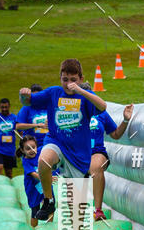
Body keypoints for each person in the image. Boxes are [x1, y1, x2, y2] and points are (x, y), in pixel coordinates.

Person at [19, 59, 106, 221]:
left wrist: (81, 91)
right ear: (60, 78)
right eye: (65, 79)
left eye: (73, 80)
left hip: (78, 156)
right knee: (44, 160)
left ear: (81, 79)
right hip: (56, 142)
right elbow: (28, 101)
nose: (68, 84)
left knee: (76, 218)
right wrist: (23, 96)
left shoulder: (85, 97)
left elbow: (103, 106)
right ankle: (49, 200)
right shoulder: (53, 93)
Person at [82, 82, 133, 221]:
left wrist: (125, 120)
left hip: (96, 152)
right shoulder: (70, 114)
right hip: (77, 154)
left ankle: (98, 210)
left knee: (96, 166)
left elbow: (115, 134)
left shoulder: (100, 114)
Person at [17, 134, 57, 227]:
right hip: (33, 189)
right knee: (35, 211)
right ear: (22, 150)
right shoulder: (25, 161)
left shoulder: (41, 151)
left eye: (33, 147)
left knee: (51, 205)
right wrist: (47, 177)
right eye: (28, 149)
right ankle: (34, 229)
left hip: (45, 185)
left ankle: (50, 227)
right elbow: (33, 174)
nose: (32, 150)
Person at [15, 84, 49, 150]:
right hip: (32, 146)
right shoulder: (26, 108)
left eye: (38, 96)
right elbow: (17, 126)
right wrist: (36, 125)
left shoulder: (47, 107)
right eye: (33, 96)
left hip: (48, 144)